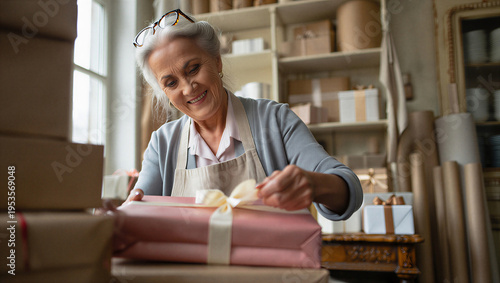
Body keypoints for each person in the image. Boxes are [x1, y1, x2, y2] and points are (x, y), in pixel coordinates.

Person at [125, 9, 363, 221]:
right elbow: (138, 213)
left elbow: (348, 187)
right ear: (164, 92)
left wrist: (313, 184)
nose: (188, 88)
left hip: (272, 270)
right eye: (171, 82)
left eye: (194, 68)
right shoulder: (162, 144)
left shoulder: (275, 120)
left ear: (217, 61)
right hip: (190, 272)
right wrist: (118, 215)